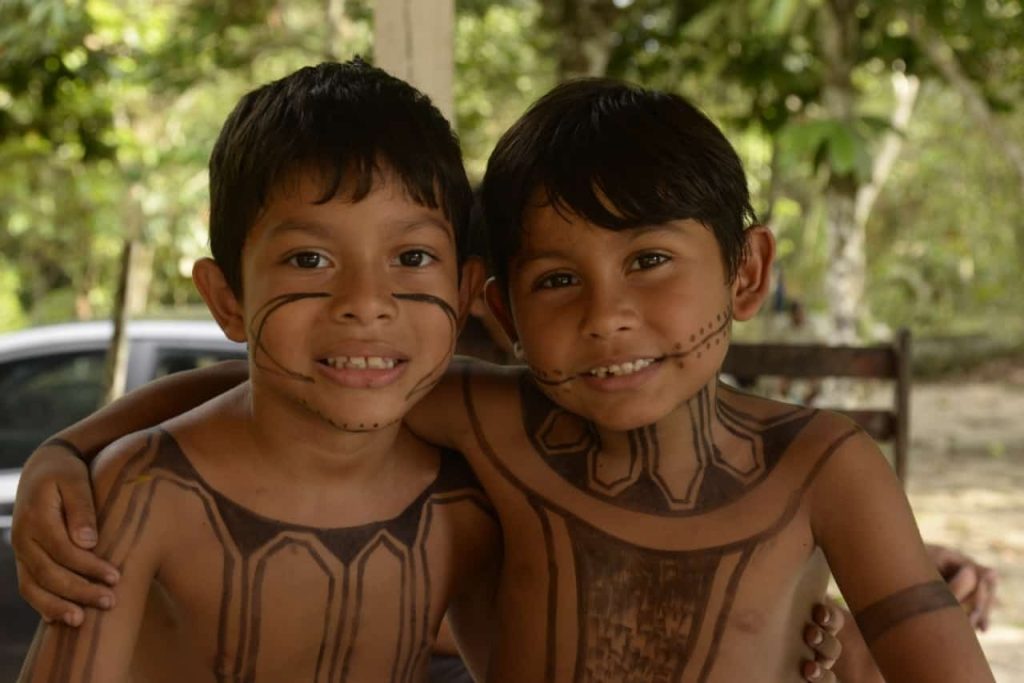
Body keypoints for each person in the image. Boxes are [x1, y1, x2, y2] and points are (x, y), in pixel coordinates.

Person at [22, 77, 974, 682]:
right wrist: (74, 450)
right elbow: (291, 388)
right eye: (559, 280)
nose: (607, 315)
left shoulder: (824, 465)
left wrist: (848, 634)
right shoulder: (489, 424)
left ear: (749, 272)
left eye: (649, 259)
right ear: (505, 313)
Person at [15, 60, 503, 682]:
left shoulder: (468, 498)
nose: (365, 300)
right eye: (309, 258)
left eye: (411, 256)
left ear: (462, 295)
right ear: (228, 301)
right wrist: (63, 450)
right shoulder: (146, 492)